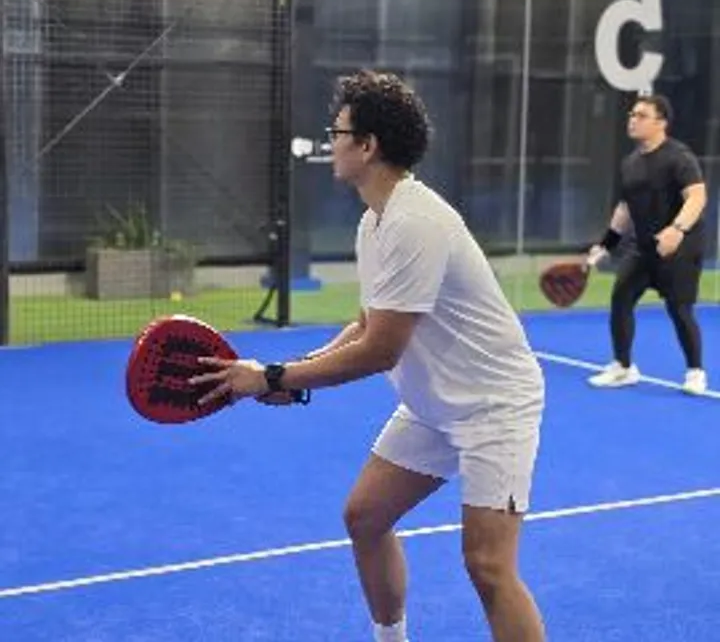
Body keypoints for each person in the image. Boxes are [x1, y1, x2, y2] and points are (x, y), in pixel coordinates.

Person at [190, 70, 547, 642]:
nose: (331, 142)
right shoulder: (374, 221)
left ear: (367, 145)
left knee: (488, 565)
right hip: (433, 405)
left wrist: (272, 376)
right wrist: (290, 379)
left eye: (338, 132)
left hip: (494, 407)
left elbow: (381, 350)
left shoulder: (415, 221)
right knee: (365, 517)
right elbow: (365, 324)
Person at [587, 94, 708, 394]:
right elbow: (625, 209)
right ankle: (623, 367)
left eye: (641, 115)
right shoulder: (630, 163)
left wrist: (677, 230)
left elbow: (697, 196)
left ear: (661, 123)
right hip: (643, 248)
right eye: (632, 114)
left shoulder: (679, 157)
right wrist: (606, 245)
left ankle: (695, 372)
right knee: (621, 298)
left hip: (680, 249)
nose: (633, 120)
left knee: (679, 309)